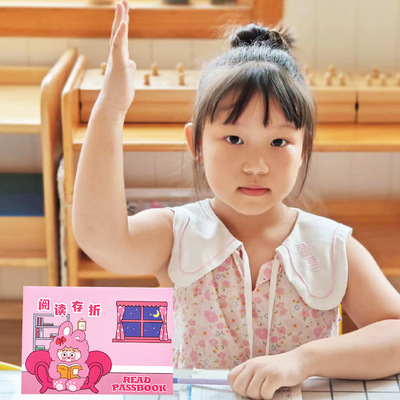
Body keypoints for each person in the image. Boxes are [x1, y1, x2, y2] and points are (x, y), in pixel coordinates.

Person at [72, 1, 400, 399]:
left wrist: (304, 360)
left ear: (304, 148)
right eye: (234, 138)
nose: (256, 166)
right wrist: (111, 110)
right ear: (196, 143)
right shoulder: (176, 234)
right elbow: (100, 237)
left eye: (278, 142)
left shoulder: (331, 246)